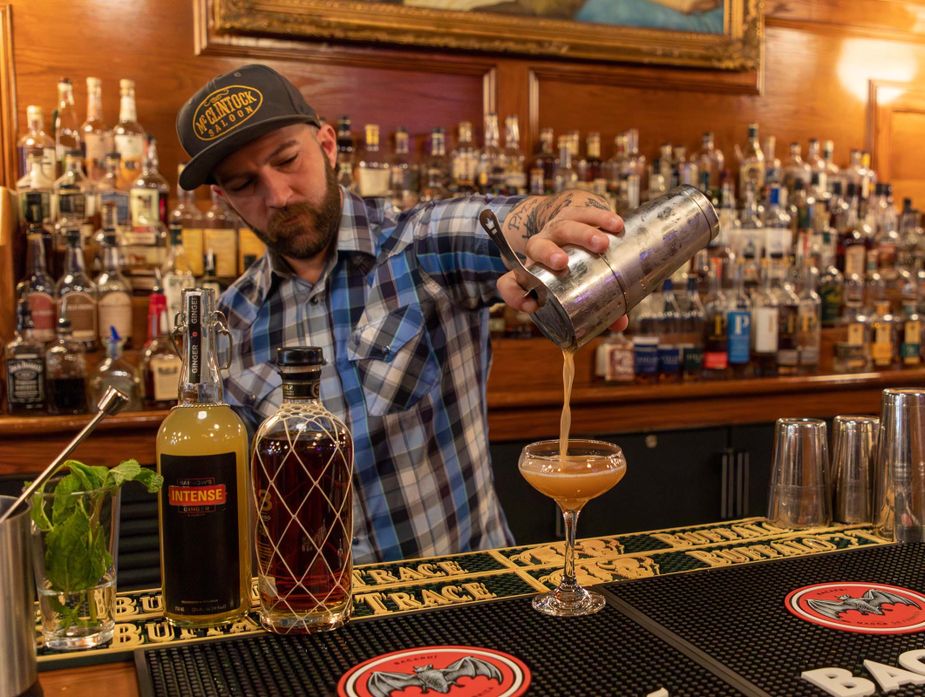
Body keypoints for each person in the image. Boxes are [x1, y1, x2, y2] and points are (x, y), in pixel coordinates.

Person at [176, 64, 627, 564]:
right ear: (221, 200)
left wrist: (569, 224)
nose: (278, 195)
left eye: (287, 160)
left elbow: (527, 217)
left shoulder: (416, 244)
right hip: (321, 613)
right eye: (244, 184)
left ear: (327, 145)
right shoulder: (229, 325)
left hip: (465, 592)